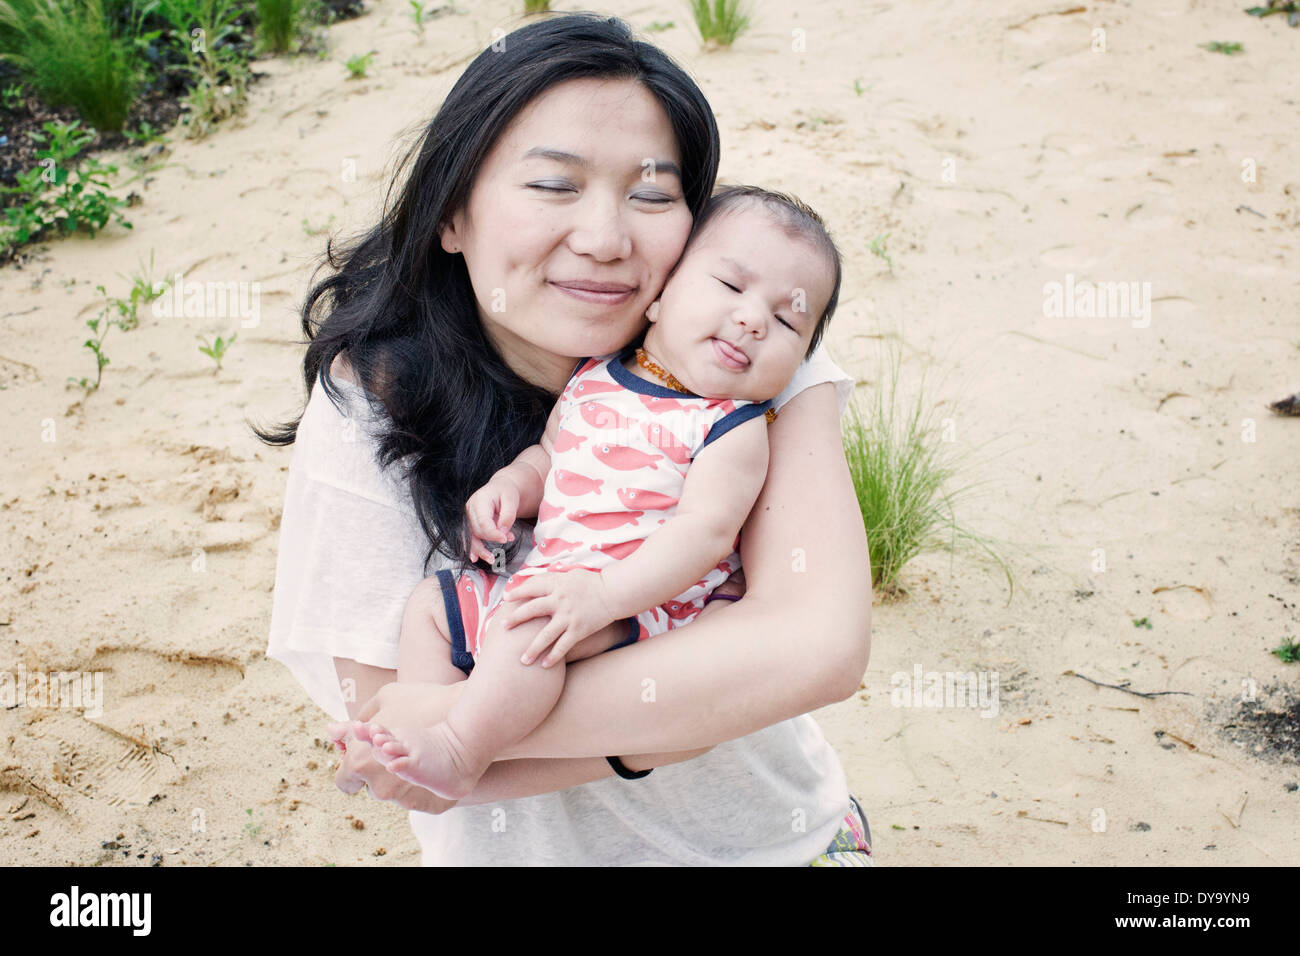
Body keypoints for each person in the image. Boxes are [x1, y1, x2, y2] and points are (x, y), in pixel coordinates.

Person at [259, 12, 874, 866]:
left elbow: (821, 648)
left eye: (652, 194)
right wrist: (693, 708)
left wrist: (471, 734)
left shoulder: (745, 355)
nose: (605, 239)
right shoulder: (370, 403)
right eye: (554, 185)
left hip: (776, 843)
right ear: (452, 215)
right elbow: (385, 726)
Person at [347, 186, 843, 802]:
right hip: (559, 576)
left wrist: (605, 596)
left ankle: (458, 746)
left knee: (529, 636)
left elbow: (704, 532)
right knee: (433, 606)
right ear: (660, 298)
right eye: (730, 287)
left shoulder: (729, 427)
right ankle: (417, 729)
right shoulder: (599, 373)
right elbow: (551, 456)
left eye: (789, 320)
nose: (752, 319)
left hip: (641, 603)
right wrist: (509, 489)